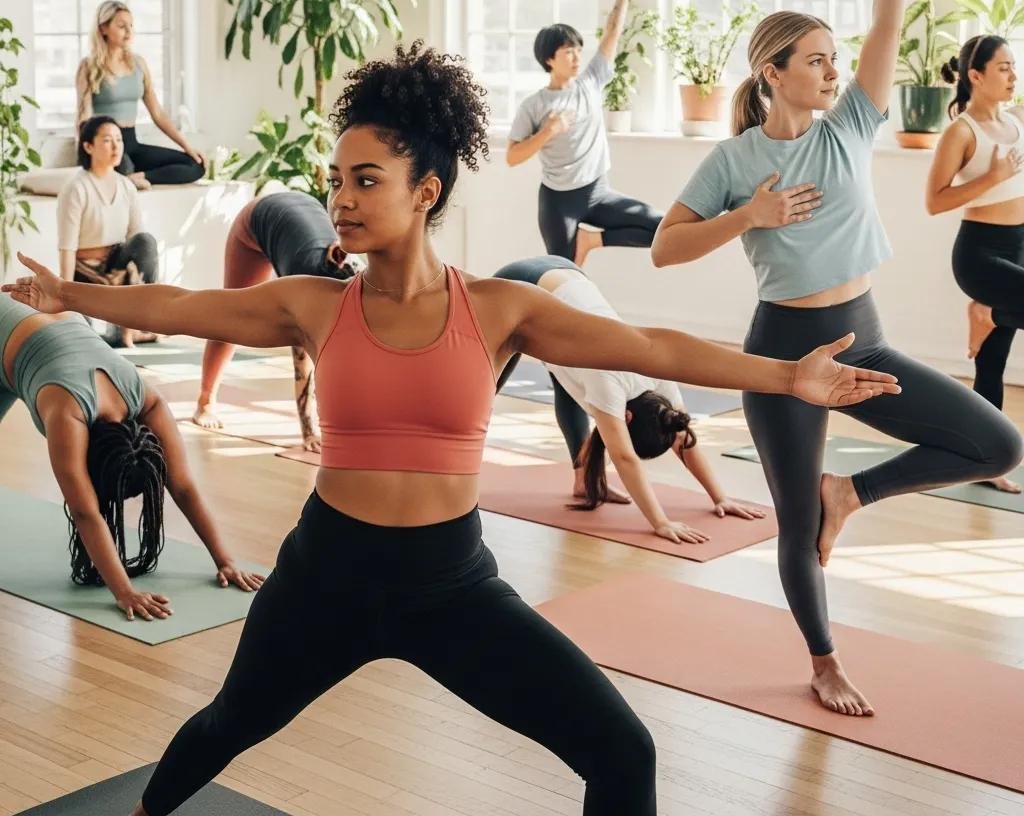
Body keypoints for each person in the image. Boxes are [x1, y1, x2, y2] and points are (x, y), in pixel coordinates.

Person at [5, 42, 900, 816]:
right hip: (328, 575)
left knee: (623, 750)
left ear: (425, 190)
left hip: (453, 586)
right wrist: (67, 296)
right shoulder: (315, 305)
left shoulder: (500, 309)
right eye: (335, 180)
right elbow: (183, 303)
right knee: (226, 725)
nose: (341, 200)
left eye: (366, 181)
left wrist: (787, 375)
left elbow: (649, 345)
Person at [652, 0, 1023, 717]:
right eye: (813, 59)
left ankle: (849, 491)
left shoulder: (849, 125)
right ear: (772, 72)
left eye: (832, 57)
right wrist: (749, 219)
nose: (831, 68)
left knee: (1000, 445)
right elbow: (667, 248)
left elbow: (888, 23)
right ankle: (823, 660)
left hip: (866, 334)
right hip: (783, 353)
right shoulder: (736, 159)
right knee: (792, 525)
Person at [0, 294, 263, 620]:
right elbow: (85, 512)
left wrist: (225, 561)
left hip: (44, 325)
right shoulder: (67, 414)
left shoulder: (146, 399)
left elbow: (182, 486)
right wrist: (125, 592)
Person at [494, 255, 765, 542]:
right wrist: (661, 523)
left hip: (566, 277)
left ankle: (582, 482)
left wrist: (720, 498)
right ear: (627, 418)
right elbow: (624, 457)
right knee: (485, 388)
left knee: (567, 381)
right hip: (520, 282)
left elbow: (683, 438)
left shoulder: (660, 388)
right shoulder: (607, 378)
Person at [506, 0, 664, 266]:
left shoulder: (590, 83)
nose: (577, 57)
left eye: (579, 50)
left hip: (598, 192)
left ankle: (592, 239)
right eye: (568, 52)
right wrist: (547, 132)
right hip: (557, 202)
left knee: (662, 228)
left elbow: (612, 32)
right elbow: (512, 157)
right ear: (549, 59)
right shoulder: (534, 105)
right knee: (564, 274)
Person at [925, 36, 1024, 493]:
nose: (1012, 75)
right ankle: (985, 309)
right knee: (992, 357)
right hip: (981, 254)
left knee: (992, 362)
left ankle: (988, 460)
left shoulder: (1018, 120)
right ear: (975, 75)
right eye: (1002, 67)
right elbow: (934, 201)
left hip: (1019, 245)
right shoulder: (961, 132)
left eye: (1013, 67)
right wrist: (992, 177)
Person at [192, 190, 363, 451]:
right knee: (229, 318)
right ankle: (205, 401)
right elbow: (302, 368)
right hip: (257, 221)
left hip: (300, 209)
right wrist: (309, 433)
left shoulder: (365, 280)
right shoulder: (307, 297)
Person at [76, 0, 205, 189]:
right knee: (123, 167)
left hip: (132, 142)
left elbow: (158, 114)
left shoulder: (138, 64)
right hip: (106, 145)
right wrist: (86, 157)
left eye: (131, 25)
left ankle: (138, 177)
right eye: (121, 26)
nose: (129, 31)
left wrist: (187, 147)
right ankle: (127, 177)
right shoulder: (89, 66)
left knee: (196, 166)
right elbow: (83, 118)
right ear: (103, 28)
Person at [57, 115, 160, 348]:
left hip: (118, 267)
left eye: (119, 140)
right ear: (88, 146)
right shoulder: (76, 188)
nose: (115, 146)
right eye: (107, 140)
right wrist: (64, 293)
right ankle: (121, 332)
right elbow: (67, 248)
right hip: (85, 273)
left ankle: (129, 329)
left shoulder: (126, 185)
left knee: (146, 242)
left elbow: (138, 239)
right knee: (84, 341)